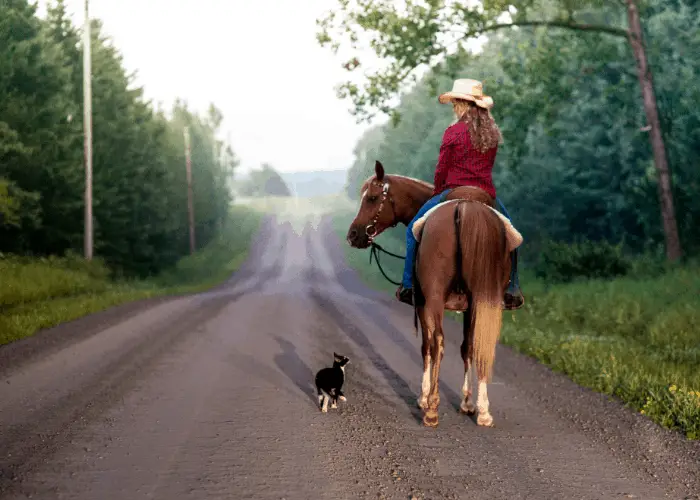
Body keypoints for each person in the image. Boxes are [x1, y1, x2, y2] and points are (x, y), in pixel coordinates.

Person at [395, 78, 524, 310]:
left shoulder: (453, 132)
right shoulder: (492, 134)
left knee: (413, 230)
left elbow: (441, 168)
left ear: (464, 105)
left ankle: (408, 286)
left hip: (453, 190)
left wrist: (437, 192)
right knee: (512, 236)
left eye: (456, 103)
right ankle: (512, 287)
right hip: (485, 194)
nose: (454, 107)